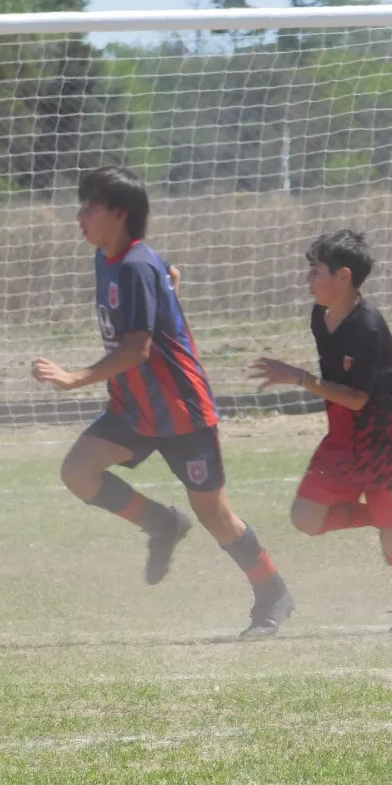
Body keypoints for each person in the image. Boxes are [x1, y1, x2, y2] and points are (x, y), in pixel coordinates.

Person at [32, 165, 295, 638]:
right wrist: (168, 272)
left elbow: (138, 349)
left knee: (216, 516)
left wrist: (76, 378)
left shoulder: (134, 265)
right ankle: (161, 523)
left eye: (89, 207)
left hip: (180, 412)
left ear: (118, 213)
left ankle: (272, 591)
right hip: (132, 408)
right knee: (78, 471)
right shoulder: (114, 258)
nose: (79, 216)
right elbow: (159, 271)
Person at [250, 229, 392, 632]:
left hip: (390, 436)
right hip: (345, 433)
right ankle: (387, 517)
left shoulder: (367, 326)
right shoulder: (320, 317)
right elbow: (341, 395)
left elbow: (360, 398)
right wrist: (310, 382)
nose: (308, 280)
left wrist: (300, 378)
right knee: (306, 517)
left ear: (343, 277)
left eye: (315, 272)